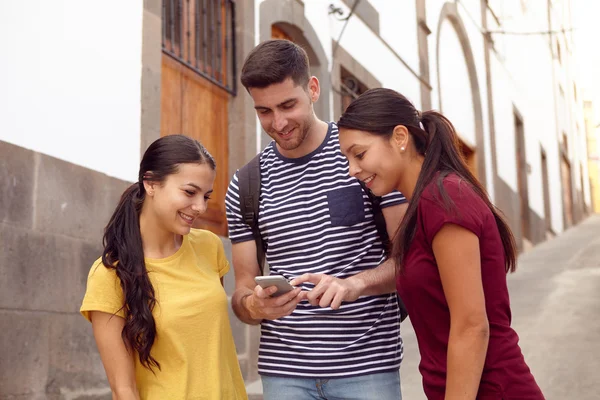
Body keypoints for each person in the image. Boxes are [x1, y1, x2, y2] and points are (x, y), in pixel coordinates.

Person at [225, 39, 407, 399]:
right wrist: (253, 305)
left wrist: (354, 284)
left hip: (368, 369)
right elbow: (242, 289)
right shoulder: (245, 184)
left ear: (313, 88)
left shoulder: (366, 156)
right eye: (264, 111)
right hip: (283, 375)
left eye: (288, 105)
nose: (278, 123)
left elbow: (408, 260)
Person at [337, 87, 545, 400]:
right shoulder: (421, 207)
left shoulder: (444, 199)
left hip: (493, 389)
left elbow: (472, 327)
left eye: (360, 154)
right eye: (347, 158)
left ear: (400, 138)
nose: (352, 170)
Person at [80, 135, 247, 400]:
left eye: (206, 196)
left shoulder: (209, 247)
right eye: (190, 192)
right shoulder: (109, 274)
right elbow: (123, 389)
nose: (200, 207)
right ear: (150, 183)